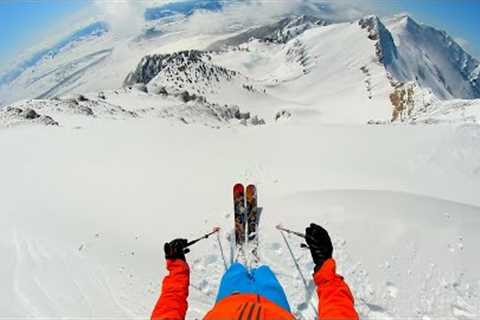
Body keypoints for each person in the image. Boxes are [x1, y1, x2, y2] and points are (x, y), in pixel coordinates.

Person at [151, 223, 359, 319]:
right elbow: (340, 314)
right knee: (263, 272)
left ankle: (244, 258)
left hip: (229, 298)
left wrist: (177, 267)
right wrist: (324, 267)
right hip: (274, 302)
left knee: (237, 269)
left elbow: (168, 309)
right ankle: (254, 261)